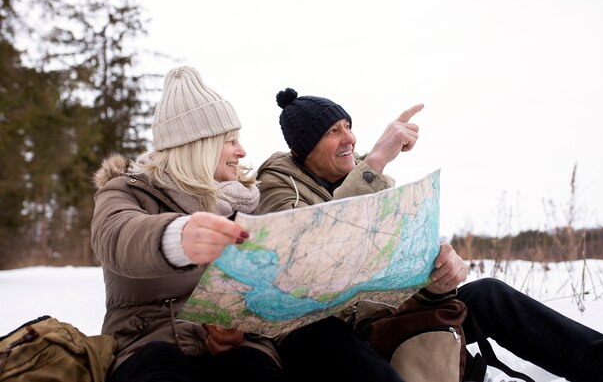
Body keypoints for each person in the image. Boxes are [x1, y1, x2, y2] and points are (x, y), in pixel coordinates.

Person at [254, 87, 603, 382]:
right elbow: (305, 246)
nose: (348, 137)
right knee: (329, 340)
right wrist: (377, 160)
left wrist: (437, 271)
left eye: (348, 125)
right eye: (333, 131)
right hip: (330, 329)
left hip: (387, 314)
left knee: (488, 295)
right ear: (303, 148)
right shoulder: (277, 184)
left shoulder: (370, 182)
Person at [90, 67, 404, 382]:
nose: (241, 152)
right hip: (150, 346)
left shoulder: (247, 204)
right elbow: (116, 237)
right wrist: (177, 237)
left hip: (244, 347)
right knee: (158, 366)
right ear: (198, 146)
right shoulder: (126, 191)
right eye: (230, 142)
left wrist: (240, 331)